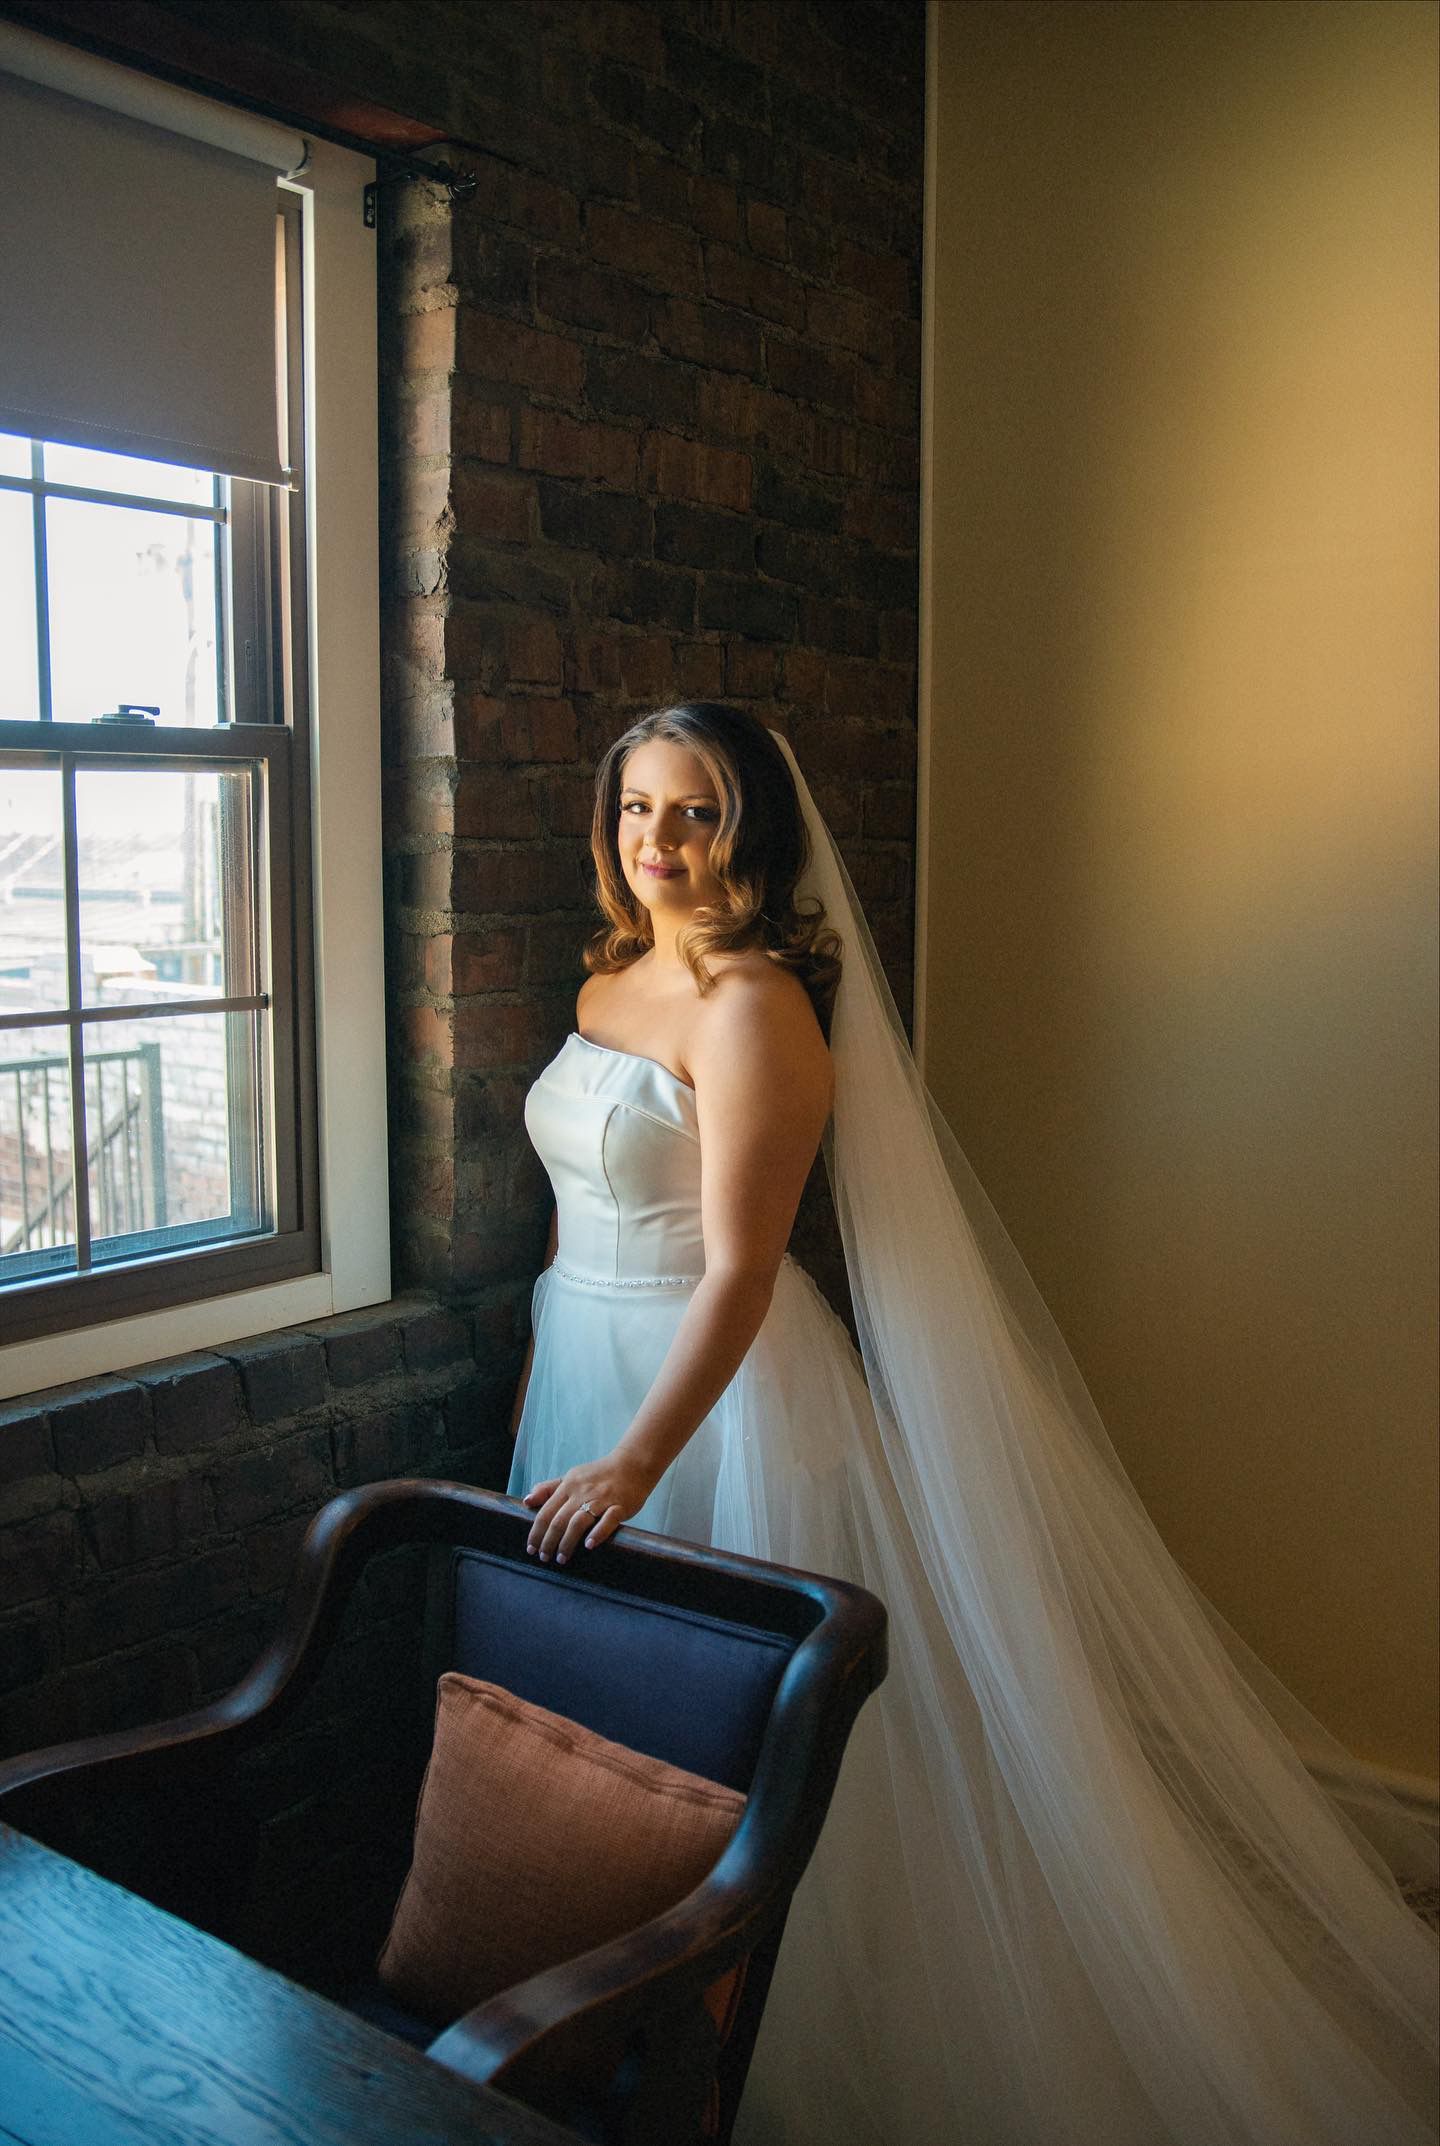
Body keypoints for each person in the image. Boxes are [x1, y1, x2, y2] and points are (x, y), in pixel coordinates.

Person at [509, 702, 1438, 2146]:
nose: (659, 842)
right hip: (584, 1352)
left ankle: (794, 2034)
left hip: (721, 1401)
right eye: (636, 807)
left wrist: (642, 1456)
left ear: (747, 829)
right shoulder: (610, 983)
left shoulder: (756, 1007)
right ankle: (632, 2013)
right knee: (627, 1736)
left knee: (763, 1751)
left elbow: (746, 1267)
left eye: (693, 811)